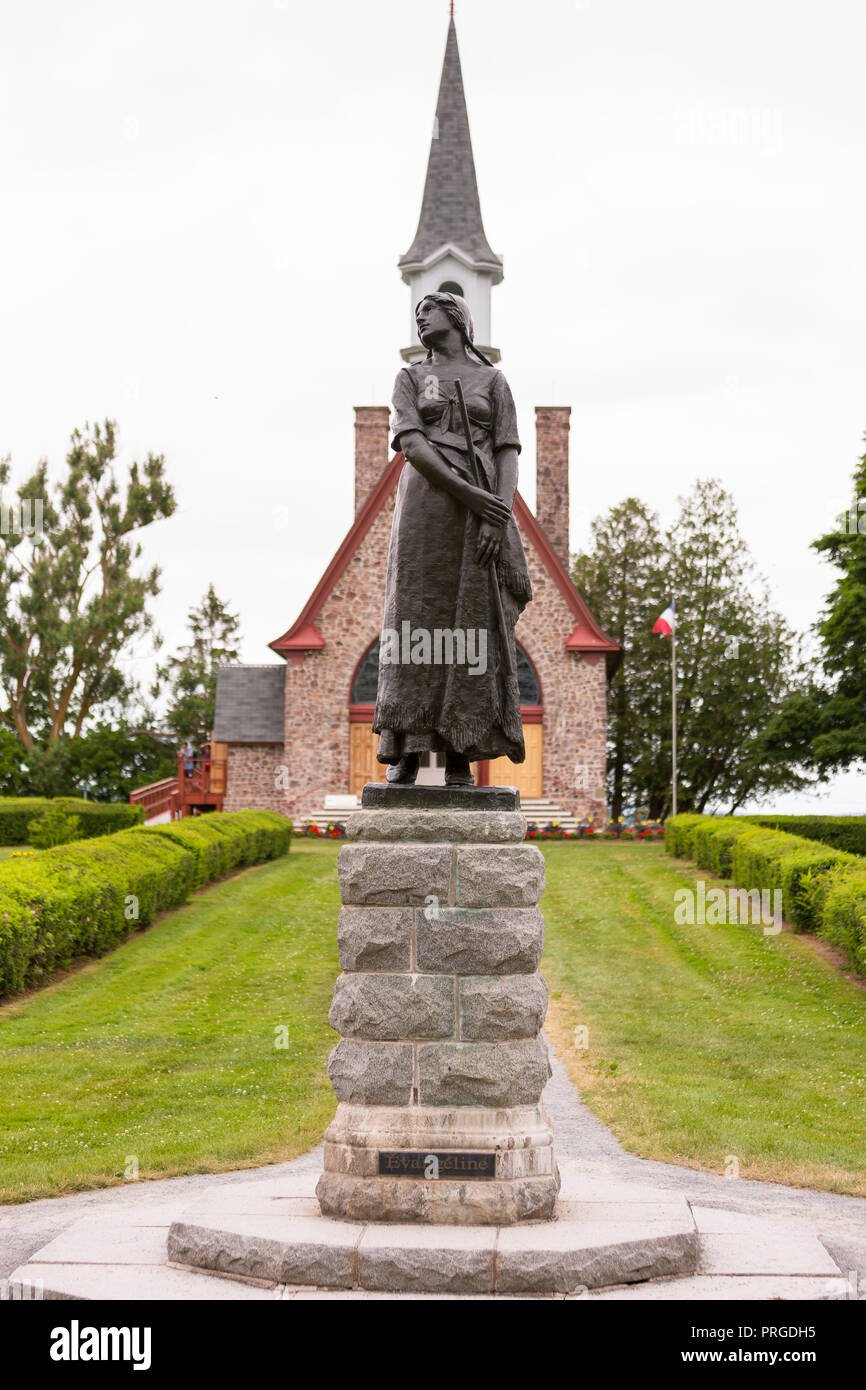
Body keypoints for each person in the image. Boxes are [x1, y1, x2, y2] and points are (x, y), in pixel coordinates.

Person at [373, 291, 531, 787]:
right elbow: (413, 445)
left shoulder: (493, 381)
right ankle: (409, 747)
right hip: (428, 504)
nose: (419, 317)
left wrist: (497, 513)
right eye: (415, 313)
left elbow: (507, 450)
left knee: (472, 620)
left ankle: (462, 749)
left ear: (458, 318)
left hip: (484, 506)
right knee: (414, 619)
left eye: (428, 310)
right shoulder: (411, 378)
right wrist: (469, 495)